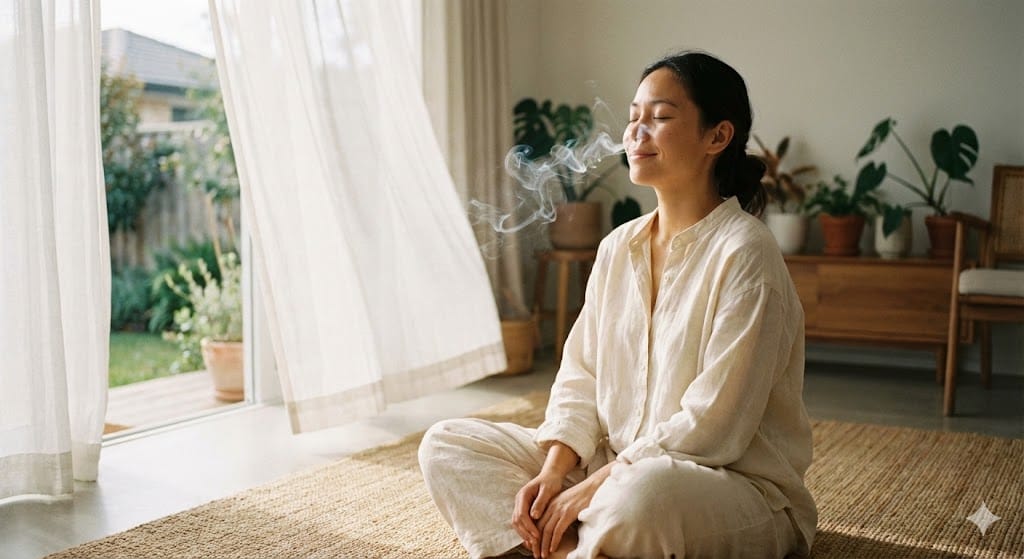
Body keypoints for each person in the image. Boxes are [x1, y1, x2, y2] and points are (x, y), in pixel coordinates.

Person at [419, 51, 817, 559]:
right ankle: (581, 546)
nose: (636, 133)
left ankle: (579, 536)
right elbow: (581, 373)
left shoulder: (746, 253)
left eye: (661, 117)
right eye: (633, 118)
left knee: (641, 501)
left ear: (718, 137)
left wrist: (593, 488)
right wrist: (556, 471)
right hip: (611, 464)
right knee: (447, 444)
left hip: (724, 485)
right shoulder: (617, 247)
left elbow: (716, 427)